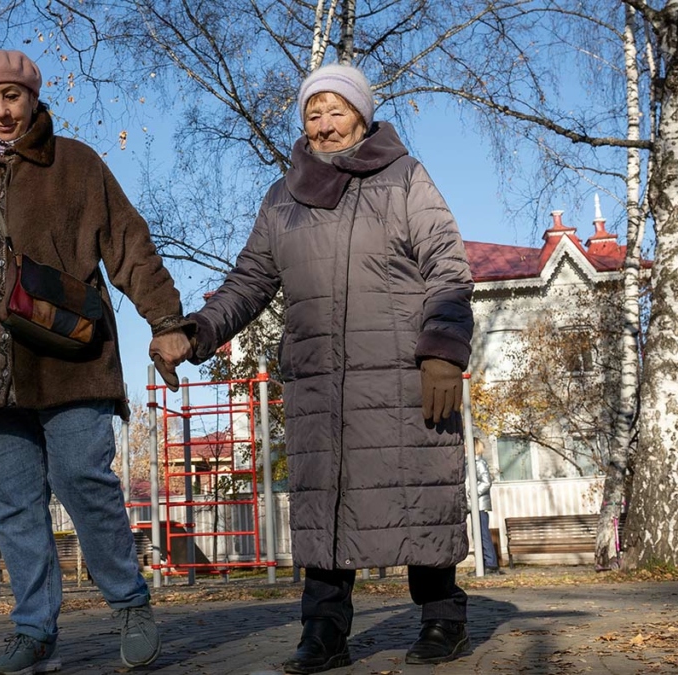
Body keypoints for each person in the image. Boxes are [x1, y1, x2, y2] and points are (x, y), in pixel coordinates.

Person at [0, 49, 193, 675]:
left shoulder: (77, 165)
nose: (2, 111)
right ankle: (33, 630)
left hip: (72, 361)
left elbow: (129, 246)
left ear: (32, 98)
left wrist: (165, 322)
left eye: (12, 96)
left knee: (84, 481)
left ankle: (131, 603)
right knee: (13, 505)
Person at [181, 63, 475, 672]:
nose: (324, 124)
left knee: (415, 495)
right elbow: (250, 281)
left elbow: (447, 264)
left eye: (336, 110)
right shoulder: (282, 196)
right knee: (325, 505)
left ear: (363, 117)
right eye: (313, 114)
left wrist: (443, 350)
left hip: (402, 376)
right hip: (319, 383)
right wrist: (199, 331)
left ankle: (443, 619)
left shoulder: (404, 178)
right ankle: (323, 633)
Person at [475, 438, 502, 574]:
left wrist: (472, 494)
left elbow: (486, 482)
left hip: (479, 505)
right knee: (478, 535)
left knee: (483, 534)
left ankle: (490, 564)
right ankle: (483, 564)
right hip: (473, 506)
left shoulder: (479, 463)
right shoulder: (470, 463)